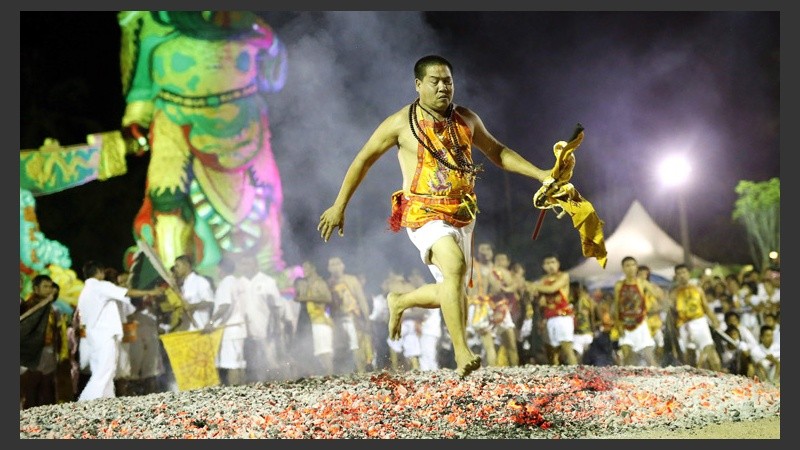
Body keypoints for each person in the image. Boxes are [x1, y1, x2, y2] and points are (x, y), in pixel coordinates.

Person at [317, 55, 554, 378]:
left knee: (454, 289)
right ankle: (460, 351)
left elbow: (497, 152)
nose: (444, 87)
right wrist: (339, 205)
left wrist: (541, 174)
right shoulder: (401, 122)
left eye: (448, 81)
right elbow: (363, 160)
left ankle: (400, 301)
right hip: (423, 211)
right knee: (453, 266)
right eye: (435, 81)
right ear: (418, 85)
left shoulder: (466, 119)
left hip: (462, 211)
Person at [76, 261, 162, 401]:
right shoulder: (100, 286)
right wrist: (151, 292)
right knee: (106, 369)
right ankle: (88, 400)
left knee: (105, 370)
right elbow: (127, 292)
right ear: (99, 271)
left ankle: (107, 399)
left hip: (94, 336)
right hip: (104, 335)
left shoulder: (86, 291)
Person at [669, 263, 722, 372]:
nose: (682, 275)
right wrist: (675, 331)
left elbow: (706, 307)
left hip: (699, 322)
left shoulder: (698, 289)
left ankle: (720, 378)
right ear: (676, 276)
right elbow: (672, 314)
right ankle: (691, 382)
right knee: (689, 357)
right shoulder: (674, 293)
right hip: (684, 325)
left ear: (688, 274)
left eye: (684, 272)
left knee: (710, 350)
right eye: (679, 273)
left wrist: (714, 320)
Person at [527, 254, 578, 365]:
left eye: (553, 262)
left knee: (567, 348)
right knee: (551, 352)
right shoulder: (542, 280)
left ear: (558, 264)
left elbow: (552, 289)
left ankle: (577, 376)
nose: (550, 266)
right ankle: (555, 379)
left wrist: (533, 286)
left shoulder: (563, 276)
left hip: (563, 317)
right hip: (548, 318)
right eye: (547, 263)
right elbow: (536, 296)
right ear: (543, 266)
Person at [205, 257, 247, 386]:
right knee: (239, 364)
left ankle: (235, 393)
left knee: (231, 364)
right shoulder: (237, 282)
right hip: (238, 328)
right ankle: (243, 393)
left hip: (230, 330)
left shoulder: (225, 283)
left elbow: (225, 305)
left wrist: (211, 322)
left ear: (221, 269)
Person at [611, 256, 659, 367]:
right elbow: (617, 306)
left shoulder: (642, 282)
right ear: (623, 268)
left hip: (641, 325)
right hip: (625, 326)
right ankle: (628, 383)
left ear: (636, 267)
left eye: (633, 265)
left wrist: (655, 292)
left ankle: (659, 380)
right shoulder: (619, 285)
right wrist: (618, 326)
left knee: (650, 359)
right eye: (627, 265)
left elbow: (658, 295)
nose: (631, 268)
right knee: (628, 361)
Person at [293, 260, 335, 376]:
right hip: (307, 321)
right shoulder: (305, 283)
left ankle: (330, 378)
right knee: (307, 352)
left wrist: (306, 298)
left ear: (313, 269)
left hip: (319, 320)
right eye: (303, 268)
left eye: (306, 268)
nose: (304, 271)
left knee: (324, 352)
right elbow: (297, 297)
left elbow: (327, 298)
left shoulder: (319, 283)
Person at [172, 254, 215, 331]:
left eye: (177, 266)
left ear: (187, 265)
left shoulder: (200, 281)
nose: (175, 269)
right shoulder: (185, 285)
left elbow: (210, 302)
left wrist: (193, 306)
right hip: (190, 329)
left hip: (202, 328)